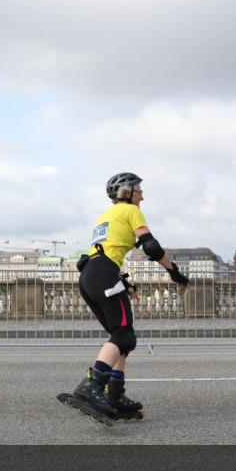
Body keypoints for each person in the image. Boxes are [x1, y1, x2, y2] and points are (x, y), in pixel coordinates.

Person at [58, 172, 189, 424]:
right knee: (124, 336)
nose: (142, 196)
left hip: (91, 275)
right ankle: (91, 387)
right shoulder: (130, 210)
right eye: (139, 190)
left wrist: (124, 283)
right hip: (103, 273)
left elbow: (105, 252)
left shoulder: (107, 216)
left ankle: (115, 394)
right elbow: (151, 247)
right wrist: (174, 272)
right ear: (126, 192)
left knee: (121, 339)